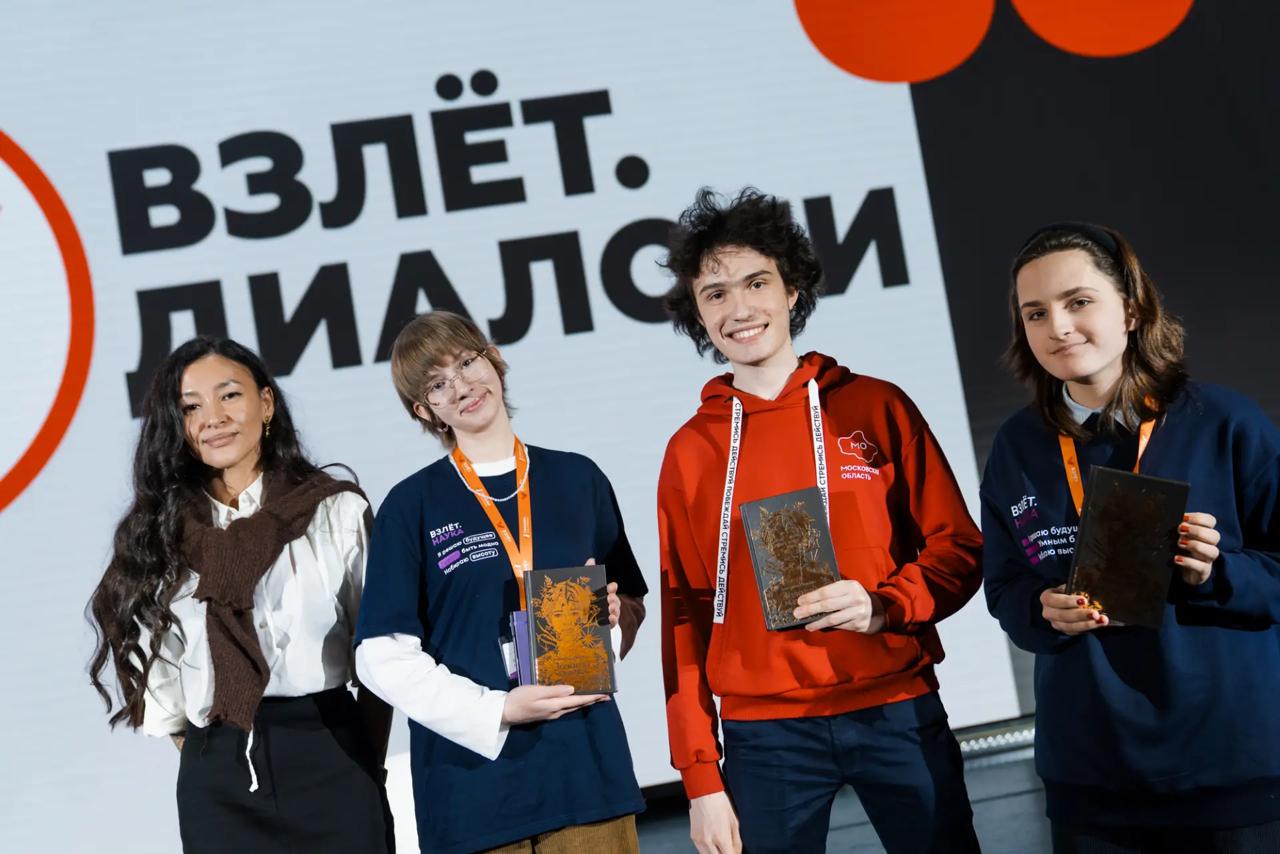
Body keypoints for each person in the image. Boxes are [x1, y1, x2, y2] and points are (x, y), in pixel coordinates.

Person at [657, 188, 983, 854]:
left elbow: (957, 548)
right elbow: (684, 618)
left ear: (792, 290)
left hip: (896, 710)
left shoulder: (875, 408)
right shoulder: (691, 451)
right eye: (715, 293)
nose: (739, 309)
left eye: (756, 283)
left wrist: (885, 606)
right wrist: (699, 777)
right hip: (765, 736)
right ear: (697, 313)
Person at [982, 222, 1280, 853]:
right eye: (1036, 313)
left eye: (1079, 301)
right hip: (1091, 779)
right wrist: (1042, 610)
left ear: (1133, 309)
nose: (1059, 327)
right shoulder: (1017, 445)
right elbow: (1005, 588)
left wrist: (1217, 571)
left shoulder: (1224, 423)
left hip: (1229, 768)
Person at [354, 310, 648, 854]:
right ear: (424, 411)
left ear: (494, 359)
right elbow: (381, 655)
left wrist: (608, 625)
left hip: (584, 774)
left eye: (468, 362)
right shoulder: (411, 506)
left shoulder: (577, 477)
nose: (462, 386)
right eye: (437, 384)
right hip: (472, 793)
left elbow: (627, 599)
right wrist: (498, 711)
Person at [87, 336, 393, 853]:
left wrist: (364, 759)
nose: (214, 417)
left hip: (332, 755)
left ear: (266, 403)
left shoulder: (334, 511)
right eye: (191, 407)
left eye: (229, 395)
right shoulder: (157, 539)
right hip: (219, 777)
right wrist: (216, 757)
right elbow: (163, 691)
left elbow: (379, 655)